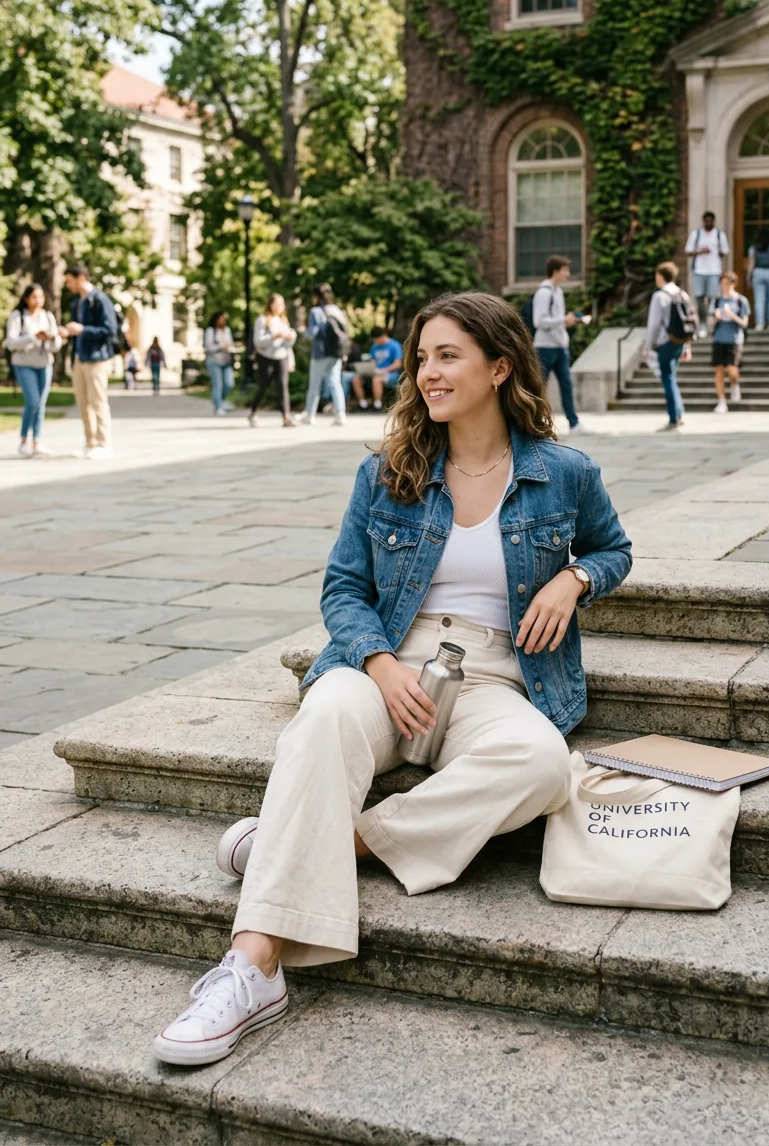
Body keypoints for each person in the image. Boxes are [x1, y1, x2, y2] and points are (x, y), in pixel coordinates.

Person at [152, 290, 632, 1067]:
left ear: (499, 367)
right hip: (387, 661)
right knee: (322, 720)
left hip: (496, 679)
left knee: (543, 765)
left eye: (448, 355)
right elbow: (343, 588)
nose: (427, 372)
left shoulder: (564, 473)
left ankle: (324, 842)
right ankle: (252, 968)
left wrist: (572, 577)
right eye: (422, 357)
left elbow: (615, 550)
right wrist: (375, 662)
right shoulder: (387, 472)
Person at [60, 263, 119, 460]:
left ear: (81, 278)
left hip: (97, 358)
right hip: (80, 357)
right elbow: (78, 329)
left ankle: (104, 443)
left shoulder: (100, 300)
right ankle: (90, 442)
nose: (68, 286)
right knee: (83, 402)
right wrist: (68, 332)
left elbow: (110, 330)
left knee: (98, 401)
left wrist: (83, 329)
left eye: (69, 281)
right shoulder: (78, 301)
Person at [3, 283, 63, 457]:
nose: (38, 301)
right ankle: (23, 440)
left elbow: (56, 346)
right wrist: (32, 337)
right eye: (35, 297)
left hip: (44, 364)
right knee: (33, 401)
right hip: (23, 364)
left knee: (41, 404)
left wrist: (52, 338)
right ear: (26, 299)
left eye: (41, 297)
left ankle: (36, 441)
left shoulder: (48, 316)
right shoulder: (18, 316)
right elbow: (10, 342)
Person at [531, 255, 585, 435]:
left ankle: (574, 423)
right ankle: (534, 421)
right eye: (565, 270)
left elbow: (554, 321)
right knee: (539, 386)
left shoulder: (558, 292)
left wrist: (566, 322)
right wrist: (563, 320)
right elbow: (539, 321)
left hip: (560, 346)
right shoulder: (544, 293)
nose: (568, 274)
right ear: (556, 271)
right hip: (545, 346)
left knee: (566, 385)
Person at [643, 261, 693, 432]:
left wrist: (647, 345)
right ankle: (679, 412)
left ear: (660, 276)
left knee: (667, 378)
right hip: (679, 341)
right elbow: (688, 322)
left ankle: (674, 418)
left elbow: (654, 324)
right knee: (671, 377)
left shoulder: (660, 296)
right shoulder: (682, 294)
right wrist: (687, 346)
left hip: (665, 341)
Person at [295, 283, 348, 426]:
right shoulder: (336, 310)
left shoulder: (315, 311)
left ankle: (310, 415)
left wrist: (302, 330)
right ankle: (340, 414)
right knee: (335, 383)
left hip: (320, 353)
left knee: (314, 385)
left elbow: (312, 333)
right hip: (336, 352)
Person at [247, 294, 297, 428]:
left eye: (282, 304)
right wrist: (274, 336)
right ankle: (253, 412)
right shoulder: (262, 320)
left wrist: (290, 339)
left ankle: (286, 416)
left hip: (282, 356)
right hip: (266, 357)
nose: (280, 307)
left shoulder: (283, 321)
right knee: (263, 386)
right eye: (277, 303)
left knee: (283, 386)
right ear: (270, 304)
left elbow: (288, 345)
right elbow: (258, 341)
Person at [684, 211, 729, 337]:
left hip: (714, 271)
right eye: (706, 220)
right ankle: (702, 323)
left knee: (712, 298)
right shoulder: (696, 234)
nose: (708, 223)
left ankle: (711, 322)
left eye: (711, 220)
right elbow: (688, 251)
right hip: (699, 270)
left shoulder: (719, 235)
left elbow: (723, 252)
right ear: (703, 221)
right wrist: (700, 252)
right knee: (699, 298)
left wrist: (721, 269)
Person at [710, 272, 750, 414]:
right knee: (719, 369)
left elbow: (745, 322)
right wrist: (717, 318)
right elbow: (709, 323)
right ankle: (721, 401)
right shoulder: (716, 301)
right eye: (722, 284)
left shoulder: (740, 301)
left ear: (733, 284)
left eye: (727, 284)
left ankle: (734, 384)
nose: (724, 287)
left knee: (732, 368)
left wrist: (732, 316)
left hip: (734, 339)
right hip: (718, 338)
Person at [352, 326, 404, 412]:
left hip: (391, 374)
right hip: (375, 372)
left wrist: (383, 370)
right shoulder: (374, 346)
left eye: (378, 339)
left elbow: (398, 364)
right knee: (356, 379)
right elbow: (373, 362)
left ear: (384, 335)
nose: (376, 342)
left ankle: (377, 405)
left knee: (377, 380)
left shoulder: (394, 345)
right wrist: (369, 369)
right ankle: (362, 404)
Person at [746, 229, 769, 332]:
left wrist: (748, 276)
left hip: (758, 272)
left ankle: (760, 323)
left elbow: (751, 263)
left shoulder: (754, 248)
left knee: (759, 300)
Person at [204, 312, 235, 416]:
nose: (223, 321)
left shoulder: (227, 330)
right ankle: (218, 407)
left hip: (226, 360)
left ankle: (219, 401)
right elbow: (208, 347)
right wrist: (220, 347)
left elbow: (230, 343)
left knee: (229, 383)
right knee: (218, 384)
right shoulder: (210, 331)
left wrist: (228, 347)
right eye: (220, 318)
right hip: (214, 361)